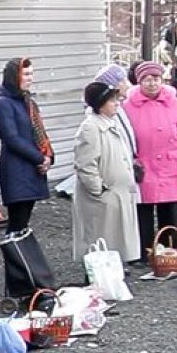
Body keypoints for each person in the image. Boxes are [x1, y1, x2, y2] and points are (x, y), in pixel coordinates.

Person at [122, 60, 177, 258]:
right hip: (143, 166)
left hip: (171, 165)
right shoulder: (128, 106)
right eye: (147, 79)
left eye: (156, 79)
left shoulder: (173, 103)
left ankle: (172, 253)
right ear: (139, 82)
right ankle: (144, 253)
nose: (152, 83)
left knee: (170, 211)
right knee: (142, 211)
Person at [73, 82, 141, 264]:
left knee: (115, 240)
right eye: (112, 100)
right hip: (104, 198)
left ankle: (113, 275)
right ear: (100, 103)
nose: (117, 103)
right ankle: (99, 279)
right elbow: (86, 165)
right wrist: (99, 190)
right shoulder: (90, 128)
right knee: (100, 240)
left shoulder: (110, 123)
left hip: (116, 194)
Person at [0, 57, 52, 234]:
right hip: (16, 170)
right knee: (16, 224)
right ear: (13, 76)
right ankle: (14, 261)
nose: (30, 78)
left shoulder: (27, 101)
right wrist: (40, 158)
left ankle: (21, 261)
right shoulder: (3, 103)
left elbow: (39, 132)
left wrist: (49, 157)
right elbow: (12, 139)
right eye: (25, 74)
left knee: (23, 224)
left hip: (31, 168)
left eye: (31, 74)